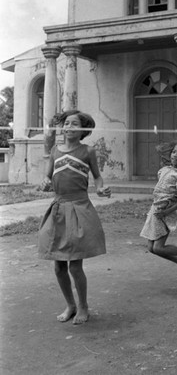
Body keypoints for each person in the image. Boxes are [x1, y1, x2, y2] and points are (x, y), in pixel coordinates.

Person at [38, 110, 111, 325]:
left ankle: (83, 306)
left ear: (83, 130)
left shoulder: (88, 151)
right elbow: (47, 176)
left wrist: (101, 189)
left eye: (74, 124)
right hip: (58, 209)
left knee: (75, 265)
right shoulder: (54, 150)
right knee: (58, 266)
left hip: (79, 209)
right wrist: (44, 182)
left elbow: (97, 178)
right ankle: (69, 305)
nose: (68, 127)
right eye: (66, 123)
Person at [140, 138, 177, 280]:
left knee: (158, 248)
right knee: (151, 248)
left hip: (165, 214)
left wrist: (166, 212)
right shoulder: (165, 170)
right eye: (173, 152)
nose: (174, 155)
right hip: (155, 211)